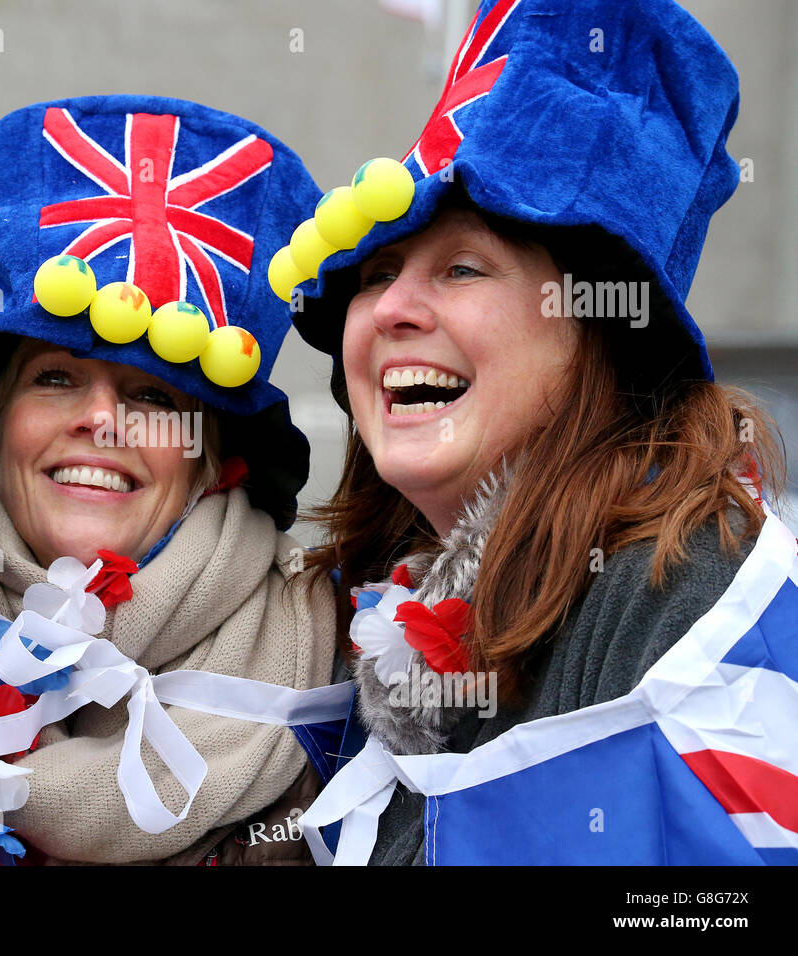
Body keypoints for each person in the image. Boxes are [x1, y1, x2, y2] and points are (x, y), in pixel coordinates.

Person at [274, 0, 795, 864]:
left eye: (462, 268)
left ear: (596, 326)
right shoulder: (371, 618)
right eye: (376, 273)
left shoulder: (684, 586)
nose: (392, 310)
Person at [0, 95, 338, 864]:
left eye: (152, 394)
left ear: (209, 458)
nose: (103, 420)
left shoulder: (361, 677)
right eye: (56, 379)